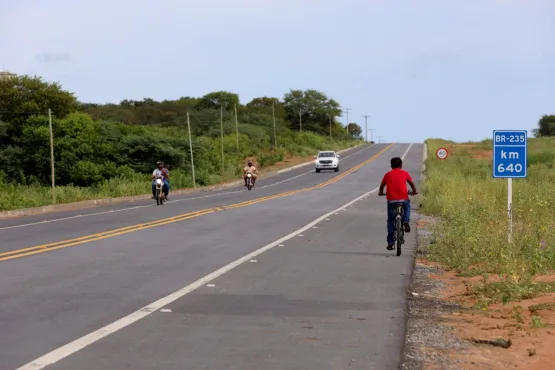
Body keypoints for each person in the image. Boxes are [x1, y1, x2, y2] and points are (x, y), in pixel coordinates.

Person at [378, 157, 418, 250]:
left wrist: (381, 192)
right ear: (401, 165)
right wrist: (414, 191)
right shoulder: (405, 173)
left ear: (391, 166)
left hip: (391, 200)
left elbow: (382, 185)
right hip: (404, 199)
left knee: (391, 221)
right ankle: (405, 221)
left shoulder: (388, 174)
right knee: (407, 206)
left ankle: (391, 241)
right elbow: (411, 183)